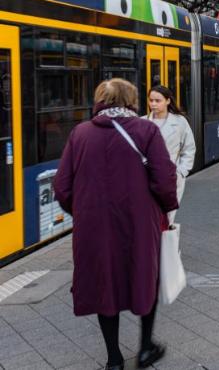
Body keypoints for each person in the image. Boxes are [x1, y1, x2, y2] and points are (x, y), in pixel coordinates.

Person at [53, 79, 178, 370]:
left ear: (100, 100)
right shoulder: (146, 130)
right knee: (147, 278)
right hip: (139, 225)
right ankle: (145, 348)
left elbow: (62, 187)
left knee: (104, 285)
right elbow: (164, 179)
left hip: (93, 229)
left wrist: (85, 212)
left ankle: (113, 359)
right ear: (131, 99)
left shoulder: (80, 133)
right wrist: (167, 207)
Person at [143, 85, 196, 223]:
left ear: (167, 101)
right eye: (151, 100)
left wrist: (181, 172)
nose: (153, 104)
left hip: (172, 178)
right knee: (148, 219)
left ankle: (166, 245)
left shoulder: (179, 122)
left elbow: (189, 148)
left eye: (157, 100)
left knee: (167, 218)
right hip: (145, 179)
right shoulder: (141, 123)